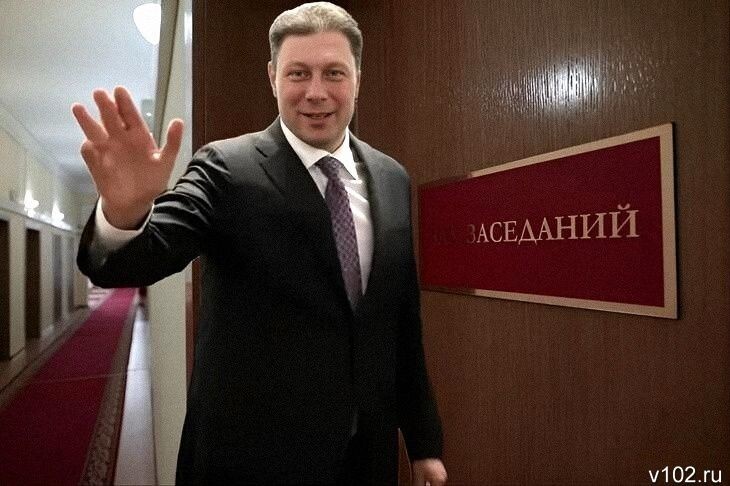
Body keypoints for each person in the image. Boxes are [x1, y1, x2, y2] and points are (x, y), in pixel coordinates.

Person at [72, 2, 447, 484]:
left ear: (358, 78)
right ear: (273, 78)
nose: (316, 92)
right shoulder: (226, 168)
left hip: (366, 457)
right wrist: (123, 213)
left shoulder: (392, 177)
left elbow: (401, 321)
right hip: (252, 458)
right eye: (298, 73)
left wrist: (423, 443)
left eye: (334, 73)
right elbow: (135, 260)